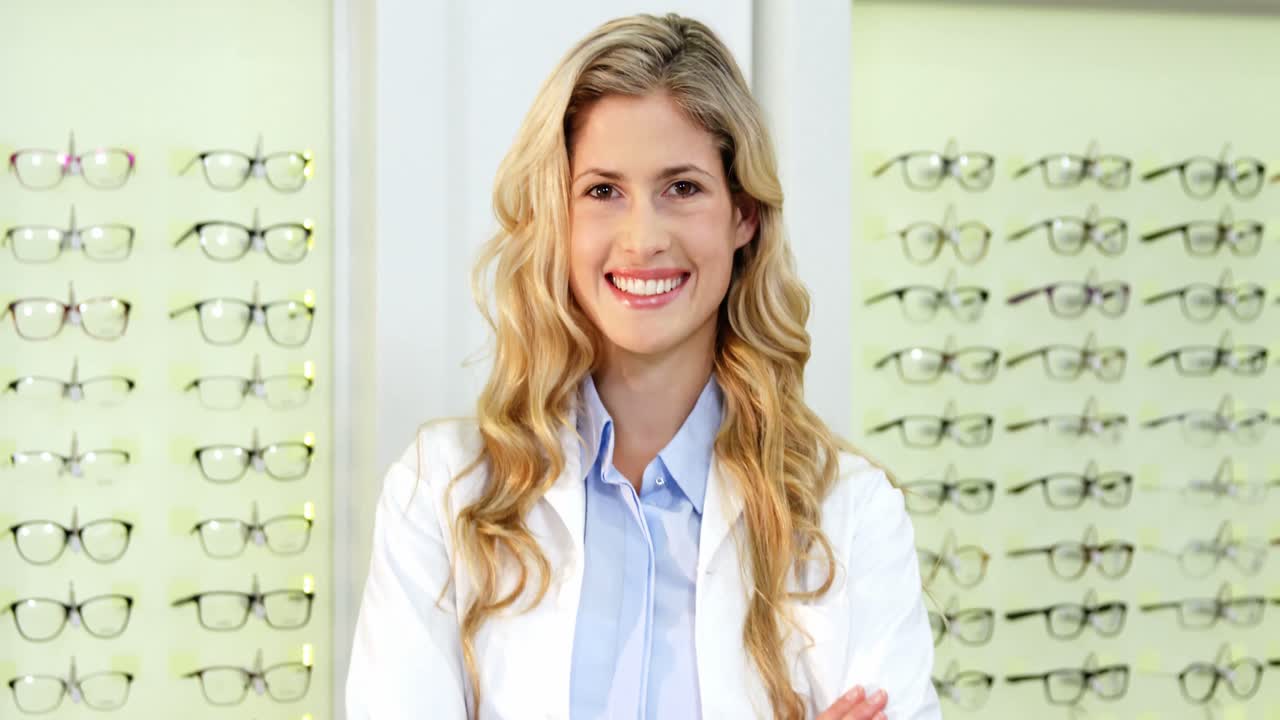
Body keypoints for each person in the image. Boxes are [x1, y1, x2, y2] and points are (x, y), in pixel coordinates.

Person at [346, 12, 938, 720]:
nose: (642, 238)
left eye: (682, 188)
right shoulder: (441, 493)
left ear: (743, 214)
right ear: (558, 216)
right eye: (603, 191)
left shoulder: (853, 515)